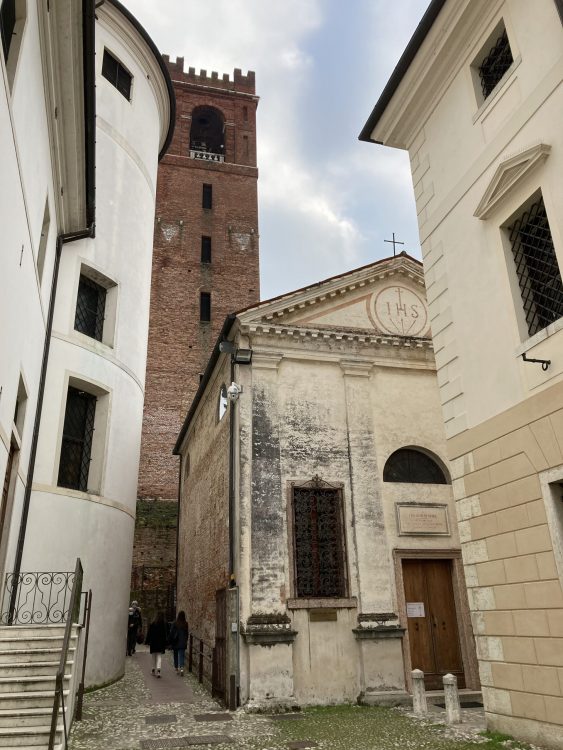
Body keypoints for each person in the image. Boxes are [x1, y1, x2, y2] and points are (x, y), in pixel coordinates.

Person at [145, 611, 167, 677]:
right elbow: (165, 635)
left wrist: (147, 641)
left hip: (153, 642)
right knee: (159, 656)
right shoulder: (164, 624)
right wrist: (165, 643)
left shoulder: (153, 623)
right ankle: (159, 671)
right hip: (160, 643)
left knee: (153, 657)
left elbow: (149, 633)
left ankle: (153, 669)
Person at [169, 610, 189, 676]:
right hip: (182, 642)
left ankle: (176, 668)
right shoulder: (185, 623)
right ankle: (182, 668)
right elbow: (187, 634)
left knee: (175, 655)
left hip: (175, 641)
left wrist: (170, 640)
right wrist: (186, 640)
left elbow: (171, 633)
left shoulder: (175, 623)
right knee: (181, 655)